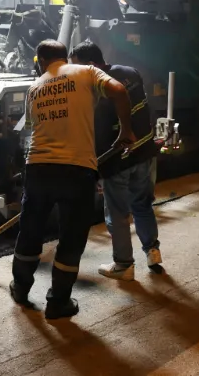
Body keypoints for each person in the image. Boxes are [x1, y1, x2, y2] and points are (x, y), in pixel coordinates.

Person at [10, 39, 135, 319]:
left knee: (30, 231)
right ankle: (58, 302)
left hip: (39, 168)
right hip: (76, 170)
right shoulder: (86, 72)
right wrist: (126, 130)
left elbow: (28, 130)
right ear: (65, 57)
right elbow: (119, 89)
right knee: (71, 236)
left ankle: (20, 288)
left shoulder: (34, 87)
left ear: (41, 62)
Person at [69, 40, 162, 280]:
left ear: (91, 65)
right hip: (145, 153)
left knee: (118, 215)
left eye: (77, 68)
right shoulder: (130, 72)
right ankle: (153, 252)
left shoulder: (95, 89)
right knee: (142, 205)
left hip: (117, 159)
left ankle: (124, 265)